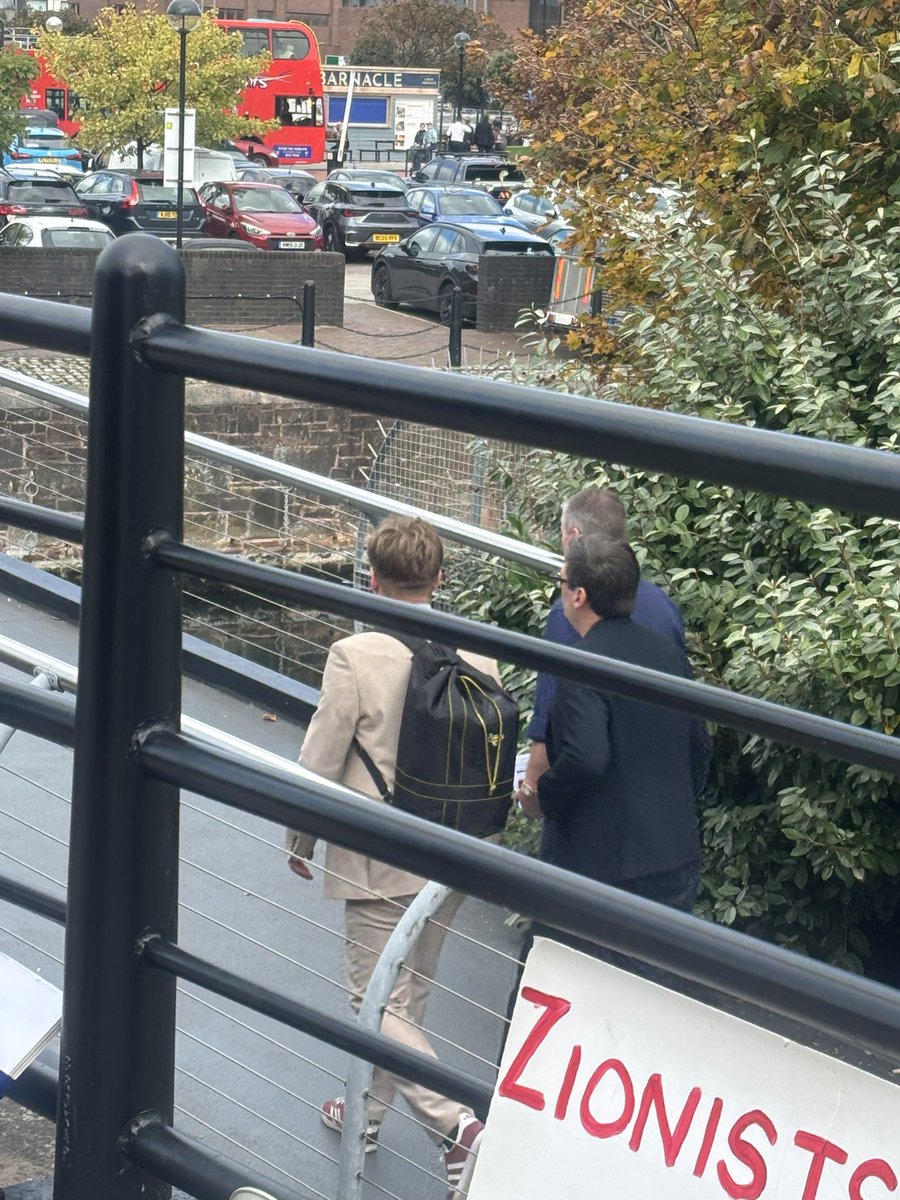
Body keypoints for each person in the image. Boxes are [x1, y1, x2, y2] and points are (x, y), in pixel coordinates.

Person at [286, 516, 491, 1200]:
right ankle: (365, 1114)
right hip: (452, 855)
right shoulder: (477, 653)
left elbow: (320, 757)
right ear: (439, 578)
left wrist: (299, 838)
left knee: (372, 1000)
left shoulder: (355, 655)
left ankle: (455, 1126)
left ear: (372, 577)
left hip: (378, 856)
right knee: (410, 991)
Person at [519, 535, 708, 913]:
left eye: (561, 582)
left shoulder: (582, 663)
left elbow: (587, 756)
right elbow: (699, 744)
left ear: (578, 596)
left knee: (559, 964)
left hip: (598, 864)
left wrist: (543, 795)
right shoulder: (668, 654)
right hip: (673, 853)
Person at [516, 486, 687, 803]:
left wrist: (532, 792)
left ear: (575, 535)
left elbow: (549, 728)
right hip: (658, 798)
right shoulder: (664, 607)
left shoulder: (570, 611)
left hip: (592, 810)